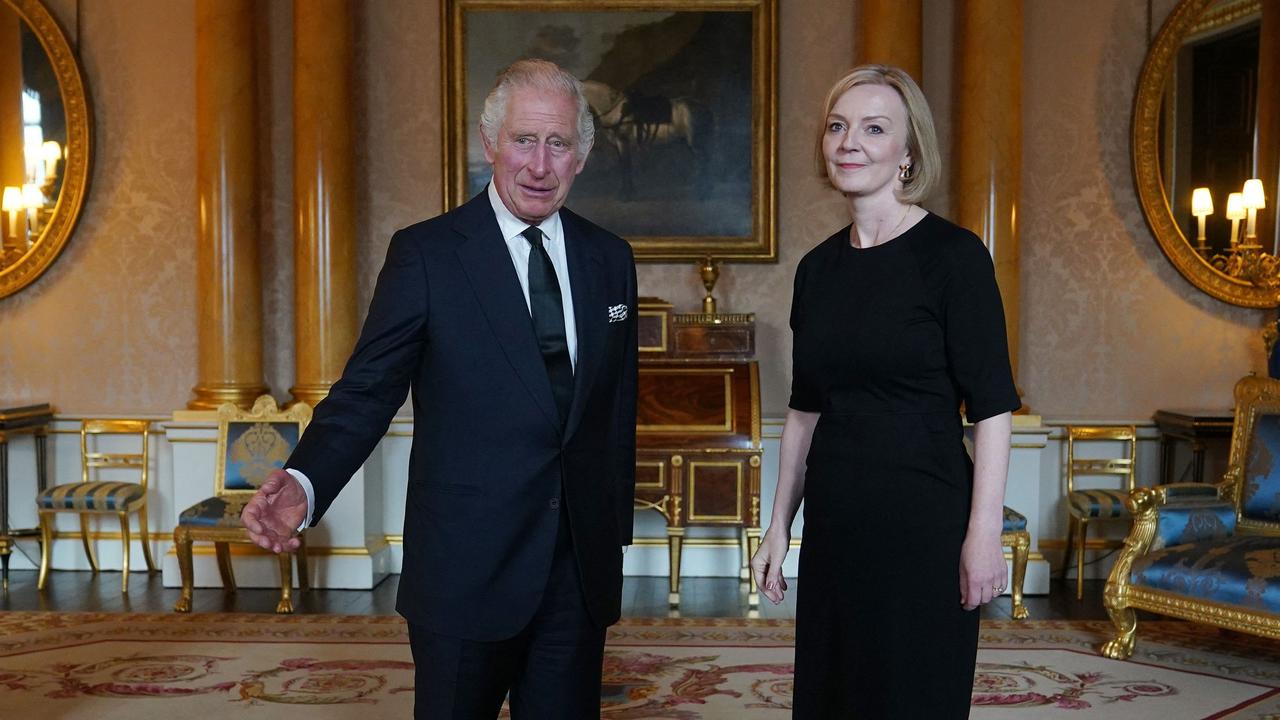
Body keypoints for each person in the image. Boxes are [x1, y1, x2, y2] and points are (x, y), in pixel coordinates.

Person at [241, 58, 638, 719]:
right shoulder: (426, 256)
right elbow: (367, 390)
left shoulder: (609, 259)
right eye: (523, 141)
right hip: (464, 568)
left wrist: (611, 538)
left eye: (558, 143)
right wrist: (306, 483)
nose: (539, 165)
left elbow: (615, 409)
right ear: (489, 144)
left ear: (582, 156)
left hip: (576, 571)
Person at [749, 64, 1020, 718]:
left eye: (874, 128)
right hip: (838, 523)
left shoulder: (953, 257)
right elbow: (804, 410)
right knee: (832, 695)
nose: (850, 142)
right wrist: (778, 527)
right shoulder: (817, 270)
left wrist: (983, 532)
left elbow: (992, 407)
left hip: (924, 522)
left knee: (911, 697)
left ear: (908, 153)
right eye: (838, 127)